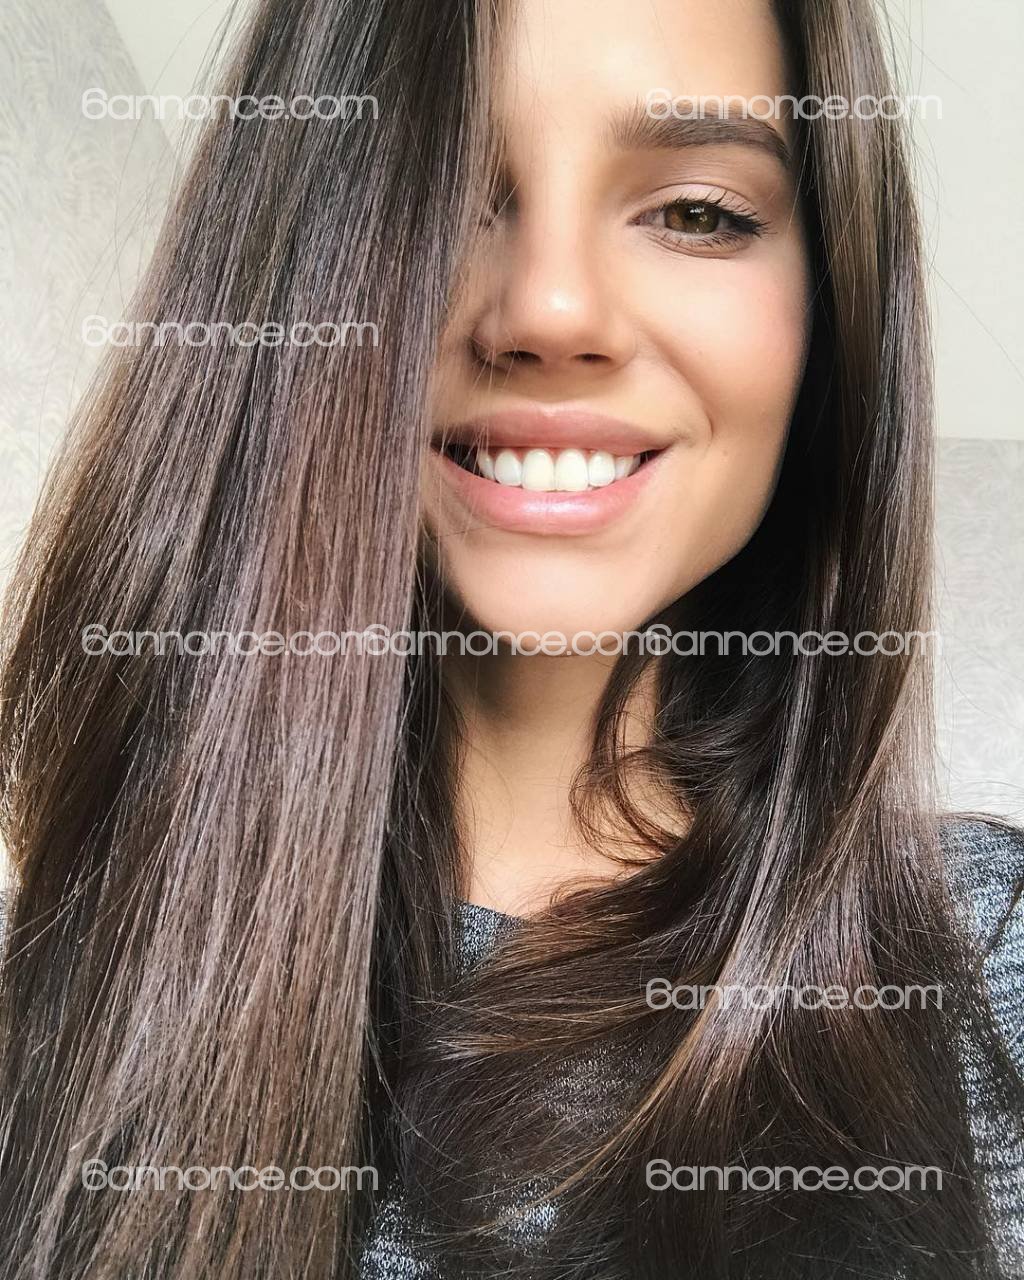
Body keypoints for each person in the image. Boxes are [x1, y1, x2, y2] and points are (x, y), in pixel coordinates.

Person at [0, 0, 1020, 1277]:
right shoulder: (62, 993)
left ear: (828, 319)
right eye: (442, 196)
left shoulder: (987, 960)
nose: (548, 307)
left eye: (696, 210)